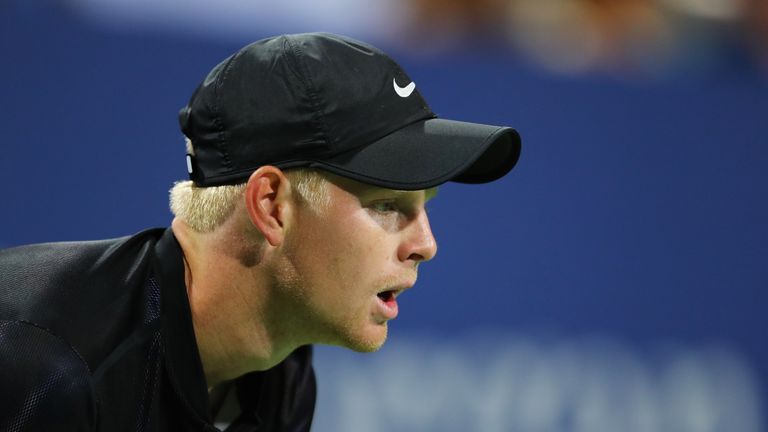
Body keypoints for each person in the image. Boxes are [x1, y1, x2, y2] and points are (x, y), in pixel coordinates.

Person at [0, 32, 521, 431]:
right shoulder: (42, 370)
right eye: (387, 204)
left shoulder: (282, 371)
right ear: (270, 205)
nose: (426, 245)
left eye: (425, 205)